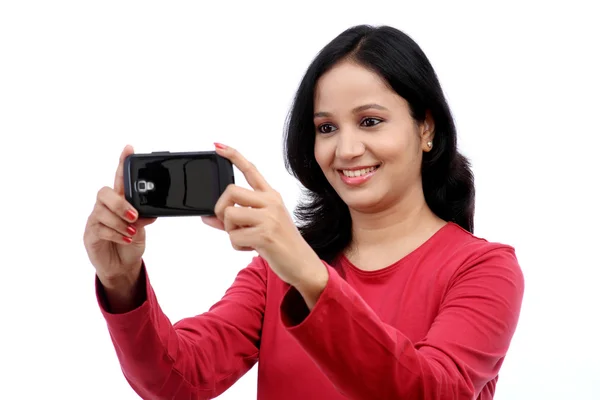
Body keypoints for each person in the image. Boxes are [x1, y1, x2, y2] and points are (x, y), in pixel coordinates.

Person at [83, 24, 524, 400]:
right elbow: (177, 379)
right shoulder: (275, 271)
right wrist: (122, 282)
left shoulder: (484, 268)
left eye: (370, 121)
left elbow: (431, 392)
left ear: (425, 127)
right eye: (327, 128)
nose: (347, 150)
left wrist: (311, 277)